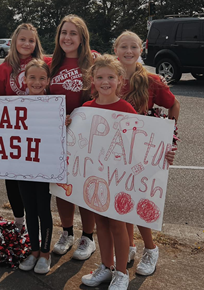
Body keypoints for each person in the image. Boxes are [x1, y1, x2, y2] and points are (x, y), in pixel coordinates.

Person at [114, 30, 179, 275]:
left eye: (133, 47)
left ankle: (150, 249)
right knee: (121, 200)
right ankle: (129, 246)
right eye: (124, 47)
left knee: (141, 201)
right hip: (118, 151)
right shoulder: (111, 77)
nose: (128, 52)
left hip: (143, 152)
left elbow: (173, 104)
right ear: (115, 50)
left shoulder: (151, 80)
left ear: (141, 50)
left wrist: (169, 141)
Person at [79, 54, 137, 290]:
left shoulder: (126, 109)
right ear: (92, 80)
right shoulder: (85, 109)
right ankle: (106, 267)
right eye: (100, 77)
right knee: (100, 222)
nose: (105, 82)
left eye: (110, 77)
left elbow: (140, 143)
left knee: (117, 224)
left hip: (118, 179)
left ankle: (122, 273)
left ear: (120, 80)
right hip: (95, 178)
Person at [48, 14, 99, 261]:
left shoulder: (93, 62)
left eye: (73, 33)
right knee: (62, 187)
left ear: (82, 38)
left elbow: (118, 80)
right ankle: (67, 232)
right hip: (58, 137)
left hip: (87, 138)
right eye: (63, 33)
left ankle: (88, 237)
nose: (67, 37)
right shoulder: (51, 65)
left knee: (85, 187)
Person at [0, 23, 52, 232]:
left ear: (36, 43)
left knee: (37, 181)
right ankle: (19, 221)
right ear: (14, 42)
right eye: (22, 39)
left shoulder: (46, 63)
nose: (27, 43)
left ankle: (35, 222)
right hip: (13, 133)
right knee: (12, 178)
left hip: (40, 134)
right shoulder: (3, 69)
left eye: (31, 40)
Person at [16, 59, 55, 274]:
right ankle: (33, 250)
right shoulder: (16, 104)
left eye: (42, 78)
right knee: (29, 209)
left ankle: (46, 252)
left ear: (48, 80)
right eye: (32, 77)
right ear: (25, 79)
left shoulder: (54, 105)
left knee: (43, 209)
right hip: (22, 166)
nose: (37, 82)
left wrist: (64, 121)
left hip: (44, 167)